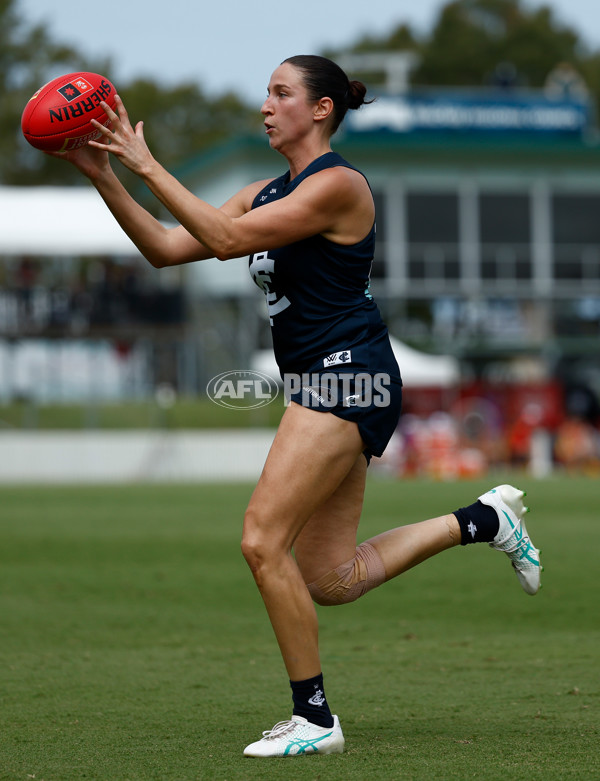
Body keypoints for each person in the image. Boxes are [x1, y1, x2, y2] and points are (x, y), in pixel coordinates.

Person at [52, 55, 542, 758]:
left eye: (282, 93)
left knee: (260, 538)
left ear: (322, 109)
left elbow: (223, 243)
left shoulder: (338, 185)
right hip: (319, 382)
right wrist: (104, 175)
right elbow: (165, 248)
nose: (266, 105)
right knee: (332, 578)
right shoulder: (263, 191)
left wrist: (146, 163)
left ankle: (314, 718)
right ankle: (485, 519)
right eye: (266, 92)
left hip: (350, 376)